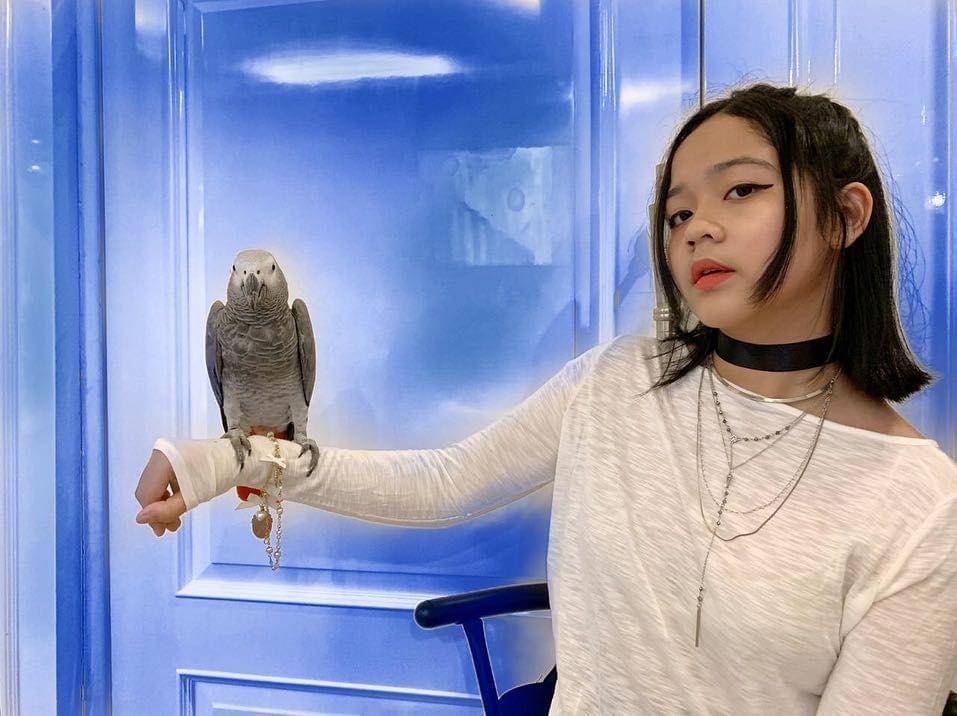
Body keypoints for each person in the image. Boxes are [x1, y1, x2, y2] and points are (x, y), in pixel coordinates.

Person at [134, 83, 957, 714]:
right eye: (676, 211)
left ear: (844, 217)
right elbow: (444, 483)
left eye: (739, 190)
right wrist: (216, 462)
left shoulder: (920, 507)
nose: (696, 227)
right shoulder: (615, 381)